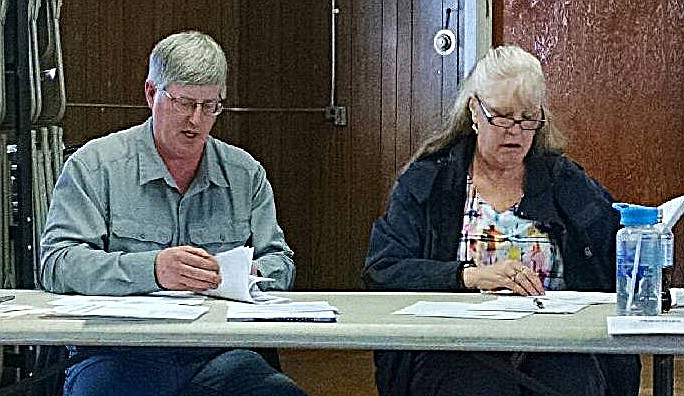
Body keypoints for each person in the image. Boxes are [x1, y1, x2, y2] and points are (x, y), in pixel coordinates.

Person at [40, 31, 308, 396]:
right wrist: (152, 270)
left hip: (220, 353)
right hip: (119, 353)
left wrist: (251, 273)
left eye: (210, 105)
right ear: (152, 94)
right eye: (184, 102)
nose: (196, 119)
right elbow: (58, 264)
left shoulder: (245, 173)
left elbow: (281, 261)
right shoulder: (95, 165)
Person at [363, 45, 641, 396]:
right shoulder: (429, 182)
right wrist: (468, 276)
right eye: (502, 117)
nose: (515, 131)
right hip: (453, 345)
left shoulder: (564, 180)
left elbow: (617, 250)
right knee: (476, 384)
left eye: (528, 119)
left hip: (556, 342)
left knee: (570, 380)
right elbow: (384, 268)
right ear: (474, 112)